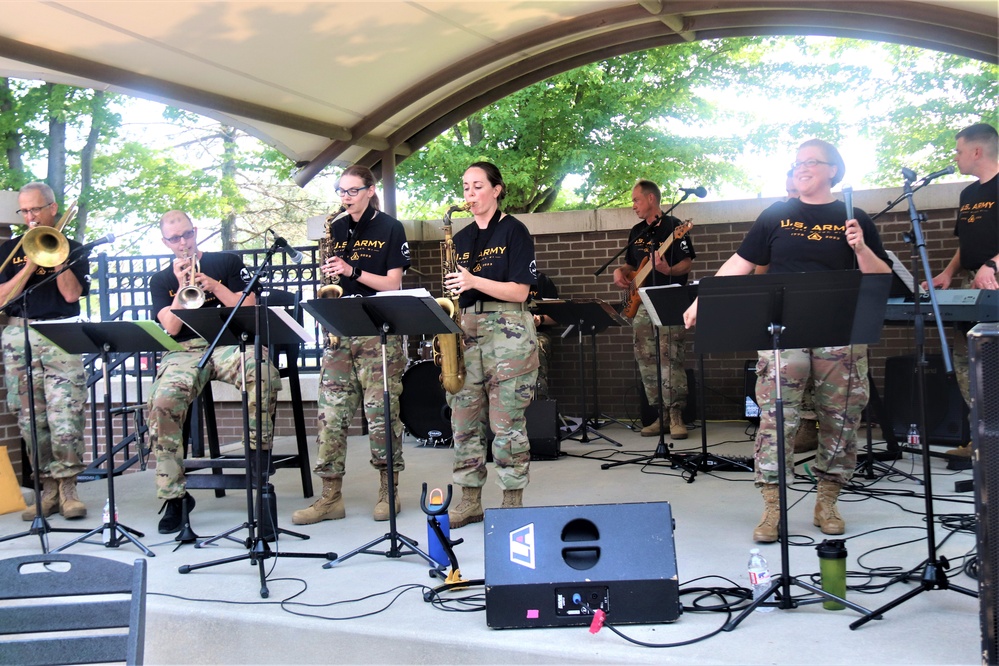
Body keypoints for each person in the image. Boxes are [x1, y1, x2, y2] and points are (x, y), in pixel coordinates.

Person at [684, 139, 892, 542]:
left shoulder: (854, 216)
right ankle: (772, 507)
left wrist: (861, 247)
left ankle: (827, 500)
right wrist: (703, 299)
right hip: (784, 331)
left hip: (839, 332)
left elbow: (880, 276)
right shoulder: (776, 215)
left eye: (811, 162)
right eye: (797, 162)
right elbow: (740, 262)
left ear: (833, 169)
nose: (802, 168)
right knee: (777, 417)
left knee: (842, 416)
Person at [147, 210, 281, 534]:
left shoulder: (228, 263)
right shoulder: (160, 280)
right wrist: (183, 287)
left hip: (231, 343)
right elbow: (171, 326)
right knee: (162, 401)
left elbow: (248, 306)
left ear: (196, 232)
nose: (183, 243)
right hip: (184, 351)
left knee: (261, 374)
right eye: (175, 238)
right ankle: (175, 497)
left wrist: (214, 285)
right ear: (165, 242)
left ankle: (258, 471)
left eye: (187, 235)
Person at [291, 165, 410, 525]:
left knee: (381, 416)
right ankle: (330, 497)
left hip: (377, 333)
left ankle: (388, 491)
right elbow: (332, 275)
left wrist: (352, 271)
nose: (345, 198)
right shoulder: (336, 227)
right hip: (339, 333)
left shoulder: (390, 227)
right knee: (330, 417)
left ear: (371, 190)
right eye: (341, 191)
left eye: (353, 191)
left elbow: (392, 285)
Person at [445, 161, 539, 529]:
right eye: (466, 187)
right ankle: (470, 501)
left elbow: (520, 290)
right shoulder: (462, 238)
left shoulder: (515, 231)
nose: (470, 194)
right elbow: (458, 289)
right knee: (464, 421)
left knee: (507, 424)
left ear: (497, 190)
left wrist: (472, 280)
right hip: (467, 330)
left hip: (508, 329)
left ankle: (512, 503)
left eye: (478, 186)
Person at [1, 182, 88, 521]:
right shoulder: (10, 250)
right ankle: (47, 491)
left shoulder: (75, 248)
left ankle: (69, 490)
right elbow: (2, 299)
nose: (30, 217)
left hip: (62, 334)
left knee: (65, 415)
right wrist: (30, 261)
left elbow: (70, 295)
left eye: (35, 209)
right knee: (29, 419)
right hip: (18, 333)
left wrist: (55, 257)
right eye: (24, 211)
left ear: (52, 208)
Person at [926, 122, 998, 459]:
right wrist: (948, 272)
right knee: (966, 359)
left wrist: (994, 264)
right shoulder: (968, 194)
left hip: (995, 282)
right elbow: (964, 243)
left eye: (958, 150)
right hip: (971, 284)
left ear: (977, 151)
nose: (955, 157)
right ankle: (982, 441)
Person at [613, 180, 695, 439]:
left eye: (636, 200)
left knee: (670, 357)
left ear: (651, 199)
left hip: (670, 299)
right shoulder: (636, 231)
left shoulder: (675, 227)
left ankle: (676, 415)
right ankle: (660, 415)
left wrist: (667, 270)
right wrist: (620, 271)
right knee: (646, 358)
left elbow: (686, 264)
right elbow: (631, 265)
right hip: (642, 301)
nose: (633, 205)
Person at [755, 171, 818, 454]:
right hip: (784, 304)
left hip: (820, 304)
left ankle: (812, 424)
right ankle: (791, 428)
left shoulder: (832, 215)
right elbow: (760, 263)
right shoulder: (776, 217)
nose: (795, 196)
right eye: (791, 191)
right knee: (786, 369)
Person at [529, 270, 559, 399]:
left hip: (538, 332)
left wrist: (540, 319)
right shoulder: (500, 279)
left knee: (535, 346)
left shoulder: (542, 280)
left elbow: (558, 316)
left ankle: (539, 398)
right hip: (506, 333)